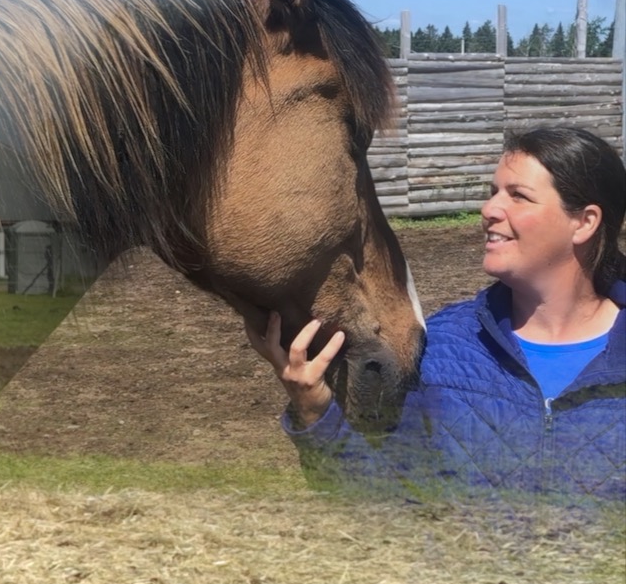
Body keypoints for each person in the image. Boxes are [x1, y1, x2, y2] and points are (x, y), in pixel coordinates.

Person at [247, 126, 625, 503]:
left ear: (585, 222)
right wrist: (315, 413)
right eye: (494, 193)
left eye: (519, 196)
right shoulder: (443, 348)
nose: (490, 209)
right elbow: (384, 500)